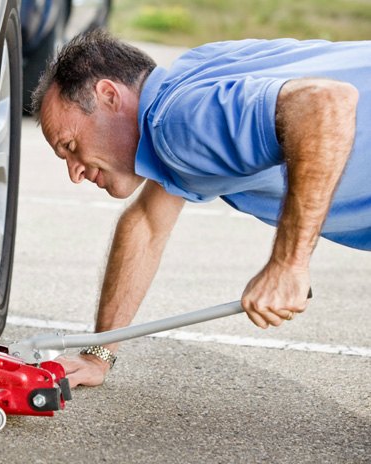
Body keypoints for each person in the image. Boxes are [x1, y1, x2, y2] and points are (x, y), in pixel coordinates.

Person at [30, 29, 370, 388]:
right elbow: (146, 224)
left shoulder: (176, 123)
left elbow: (325, 102)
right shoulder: (188, 78)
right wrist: (97, 354)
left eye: (71, 145)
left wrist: (288, 264)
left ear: (110, 96)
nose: (75, 173)